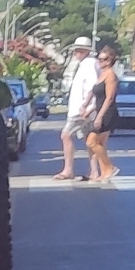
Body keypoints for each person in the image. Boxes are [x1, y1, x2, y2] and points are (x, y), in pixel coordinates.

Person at [53, 36, 96, 181]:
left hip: (81, 110)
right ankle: (94, 171)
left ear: (84, 51)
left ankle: (68, 169)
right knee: (89, 139)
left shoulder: (89, 64)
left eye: (77, 50)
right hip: (85, 109)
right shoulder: (86, 64)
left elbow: (92, 87)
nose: (74, 53)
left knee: (66, 135)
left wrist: (86, 107)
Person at [85, 44, 122, 184]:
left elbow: (109, 98)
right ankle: (105, 172)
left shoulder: (111, 75)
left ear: (110, 60)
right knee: (100, 143)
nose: (100, 61)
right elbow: (97, 97)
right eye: (99, 59)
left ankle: (110, 167)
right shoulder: (102, 75)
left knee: (91, 141)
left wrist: (99, 116)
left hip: (107, 113)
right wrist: (89, 109)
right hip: (100, 111)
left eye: (103, 59)